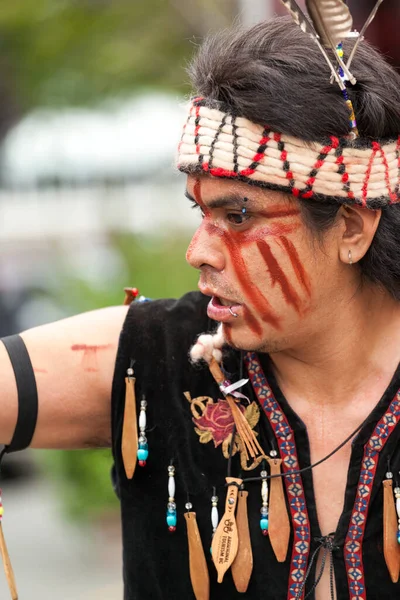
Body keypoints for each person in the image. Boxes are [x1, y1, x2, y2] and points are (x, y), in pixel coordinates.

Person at [1, 14, 400, 600]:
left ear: (350, 227)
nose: (197, 252)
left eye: (238, 217)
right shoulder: (153, 355)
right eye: (200, 214)